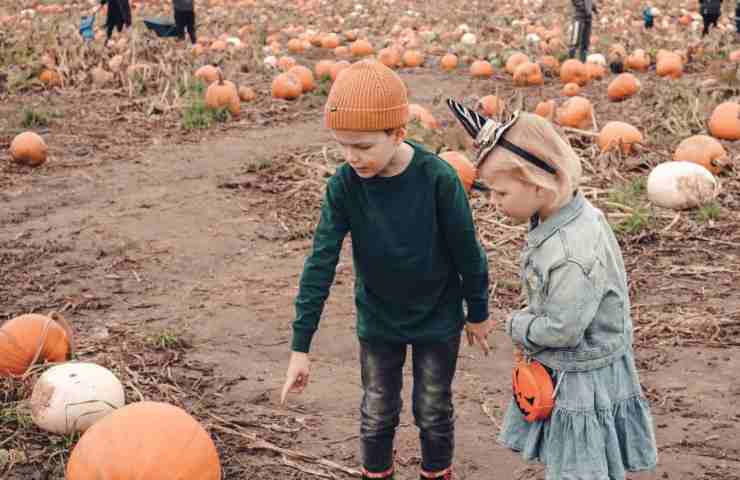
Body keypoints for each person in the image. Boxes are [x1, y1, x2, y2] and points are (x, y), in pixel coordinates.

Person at [280, 60, 492, 480]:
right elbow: (320, 263)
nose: (351, 157)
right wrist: (300, 348)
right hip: (379, 320)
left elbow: (468, 250)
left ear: (399, 133)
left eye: (362, 146)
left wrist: (479, 311)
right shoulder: (344, 185)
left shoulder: (438, 179)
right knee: (377, 412)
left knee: (432, 410)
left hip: (437, 317)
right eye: (343, 145)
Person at [448, 107, 658, 480]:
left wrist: (519, 325)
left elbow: (563, 328)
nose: (493, 201)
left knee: (579, 466)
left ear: (538, 183)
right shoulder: (566, 214)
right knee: (581, 458)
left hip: (582, 370)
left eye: (500, 192)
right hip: (584, 358)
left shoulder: (571, 253)